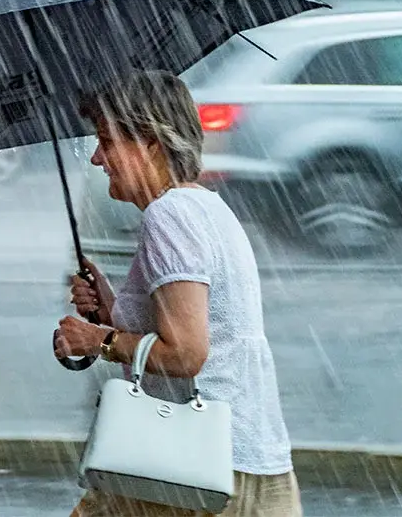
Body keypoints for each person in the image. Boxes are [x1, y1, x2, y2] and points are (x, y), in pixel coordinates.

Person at [53, 70, 303, 517]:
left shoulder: (169, 216)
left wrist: (98, 341)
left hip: (188, 471)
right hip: (246, 462)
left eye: (107, 141)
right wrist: (112, 307)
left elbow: (186, 354)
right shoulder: (206, 207)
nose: (96, 159)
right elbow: (200, 330)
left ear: (150, 143)